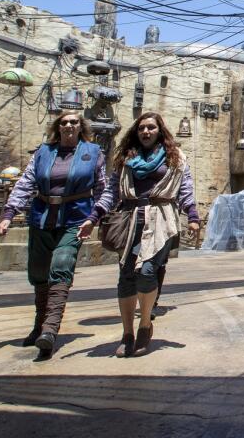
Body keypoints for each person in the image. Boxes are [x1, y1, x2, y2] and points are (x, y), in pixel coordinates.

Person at [80, 112, 200, 358]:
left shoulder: (175, 158)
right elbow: (112, 191)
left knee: (147, 272)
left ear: (160, 131)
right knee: (126, 276)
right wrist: (93, 217)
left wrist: (194, 216)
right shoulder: (126, 159)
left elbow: (185, 188)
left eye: (151, 128)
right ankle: (127, 333)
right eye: (142, 128)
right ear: (136, 132)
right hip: (130, 218)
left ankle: (145, 325)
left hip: (161, 220)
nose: (146, 132)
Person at [0, 112, 105, 359]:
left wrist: (96, 217)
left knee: (62, 265)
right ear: (58, 127)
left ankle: (50, 329)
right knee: (39, 273)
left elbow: (101, 188)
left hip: (75, 219)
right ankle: (38, 325)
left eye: (74, 122)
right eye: (64, 122)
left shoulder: (94, 153)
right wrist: (8, 214)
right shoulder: (43, 153)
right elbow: (25, 183)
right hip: (42, 219)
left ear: (81, 127)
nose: (68, 125)